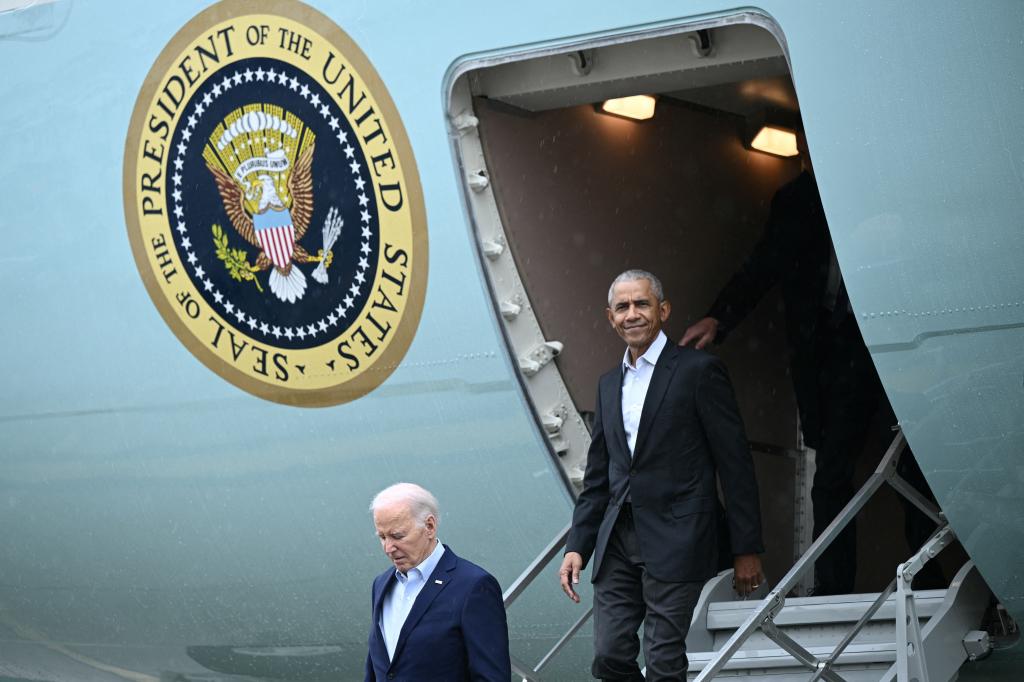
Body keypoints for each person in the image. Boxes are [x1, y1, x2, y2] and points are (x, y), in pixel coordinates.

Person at [680, 133, 941, 595]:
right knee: (833, 476)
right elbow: (762, 266)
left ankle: (929, 578)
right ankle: (832, 585)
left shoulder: (890, 191)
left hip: (892, 349)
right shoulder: (797, 200)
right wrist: (719, 318)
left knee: (915, 467)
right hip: (834, 356)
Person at [559, 269, 765, 681]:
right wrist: (577, 544)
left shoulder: (698, 370)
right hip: (618, 540)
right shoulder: (607, 384)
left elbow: (734, 461)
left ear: (663, 310)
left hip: (679, 537)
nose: (632, 314)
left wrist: (747, 548)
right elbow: (599, 477)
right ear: (610, 317)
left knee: (664, 659)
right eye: (623, 307)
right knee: (608, 655)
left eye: (642, 304)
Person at [365, 482, 511, 682]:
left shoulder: (474, 586)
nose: (388, 547)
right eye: (382, 537)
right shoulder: (381, 584)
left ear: (430, 526)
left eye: (397, 536)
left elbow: (491, 677)